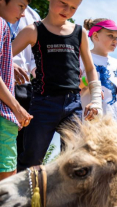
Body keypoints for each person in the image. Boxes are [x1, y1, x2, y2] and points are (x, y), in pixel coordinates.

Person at [14, 0, 103, 172]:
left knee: (75, 163)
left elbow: (91, 69)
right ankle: (26, 199)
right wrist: (10, 64)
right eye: (63, 3)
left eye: (73, 8)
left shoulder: (80, 32)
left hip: (73, 105)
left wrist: (96, 100)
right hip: (42, 105)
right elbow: (5, 54)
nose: (67, 10)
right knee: (31, 162)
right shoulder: (33, 30)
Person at [0, 0, 32, 182]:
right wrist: (16, 108)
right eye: (20, 6)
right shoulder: (1, 24)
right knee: (7, 183)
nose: (22, 14)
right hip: (3, 114)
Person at [80, 18, 117, 121]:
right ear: (95, 36)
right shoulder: (83, 58)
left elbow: (112, 95)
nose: (115, 41)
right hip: (89, 122)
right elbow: (73, 85)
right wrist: (87, 81)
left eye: (116, 38)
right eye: (110, 36)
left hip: (113, 123)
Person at [11, 5, 40, 163]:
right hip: (3, 82)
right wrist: (7, 62)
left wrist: (43, 76)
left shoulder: (32, 15)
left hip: (24, 88)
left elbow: (35, 58)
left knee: (21, 149)